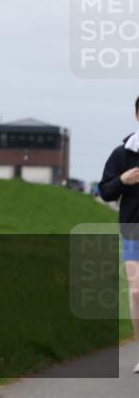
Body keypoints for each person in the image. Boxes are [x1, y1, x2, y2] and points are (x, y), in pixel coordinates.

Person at [98, 94, 139, 373]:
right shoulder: (122, 154)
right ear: (137, 115)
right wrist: (123, 180)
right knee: (137, 293)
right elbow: (104, 190)